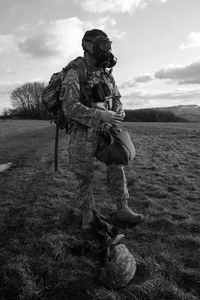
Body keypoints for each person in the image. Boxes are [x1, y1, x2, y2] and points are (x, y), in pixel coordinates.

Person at [60, 29, 144, 230]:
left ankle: (122, 208)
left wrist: (117, 113)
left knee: (117, 163)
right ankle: (86, 215)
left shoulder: (106, 74)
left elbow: (116, 99)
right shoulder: (75, 73)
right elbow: (69, 107)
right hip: (82, 134)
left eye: (108, 45)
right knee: (84, 175)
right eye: (102, 45)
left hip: (106, 131)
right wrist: (98, 115)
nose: (106, 49)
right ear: (88, 46)